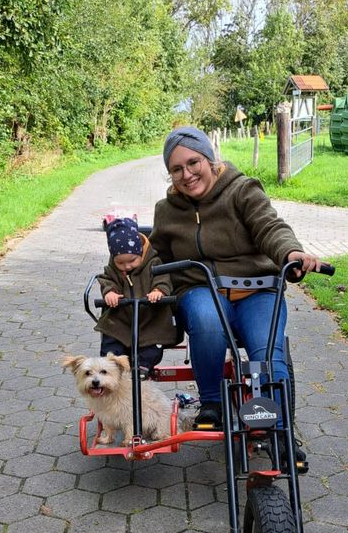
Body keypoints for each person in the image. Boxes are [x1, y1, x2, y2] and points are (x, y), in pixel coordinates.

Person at [150, 126, 320, 430]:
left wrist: (290, 254)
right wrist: (129, 268)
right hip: (201, 289)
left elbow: (270, 227)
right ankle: (212, 403)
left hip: (258, 291)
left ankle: (281, 432)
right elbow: (157, 256)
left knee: (267, 353)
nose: (187, 174)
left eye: (193, 163)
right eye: (176, 169)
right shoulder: (166, 210)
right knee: (206, 320)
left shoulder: (242, 190)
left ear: (209, 158)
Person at [95, 216, 178, 378]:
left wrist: (158, 291)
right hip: (121, 320)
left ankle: (142, 368)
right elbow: (106, 279)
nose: (126, 266)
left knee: (152, 348)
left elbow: (164, 279)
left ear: (140, 251)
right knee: (111, 345)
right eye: (120, 263)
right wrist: (110, 292)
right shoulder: (113, 269)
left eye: (132, 261)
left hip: (151, 319)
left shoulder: (154, 263)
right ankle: (112, 371)